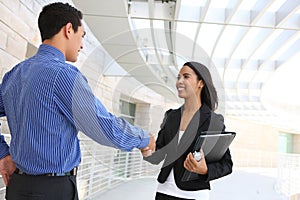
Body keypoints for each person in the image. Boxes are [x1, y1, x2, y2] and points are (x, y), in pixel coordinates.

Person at [0, 2, 155, 200]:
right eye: (81, 36)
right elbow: (103, 126)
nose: (81, 45)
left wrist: (3, 155)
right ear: (68, 29)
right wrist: (143, 138)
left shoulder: (14, 74)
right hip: (53, 191)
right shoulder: (63, 75)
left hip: (17, 188)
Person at [143, 61, 233, 200]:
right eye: (178, 77)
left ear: (200, 83)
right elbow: (159, 155)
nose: (180, 81)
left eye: (186, 76)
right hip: (164, 191)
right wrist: (148, 152)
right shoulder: (171, 116)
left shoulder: (213, 121)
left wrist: (205, 170)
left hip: (194, 194)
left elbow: (226, 164)